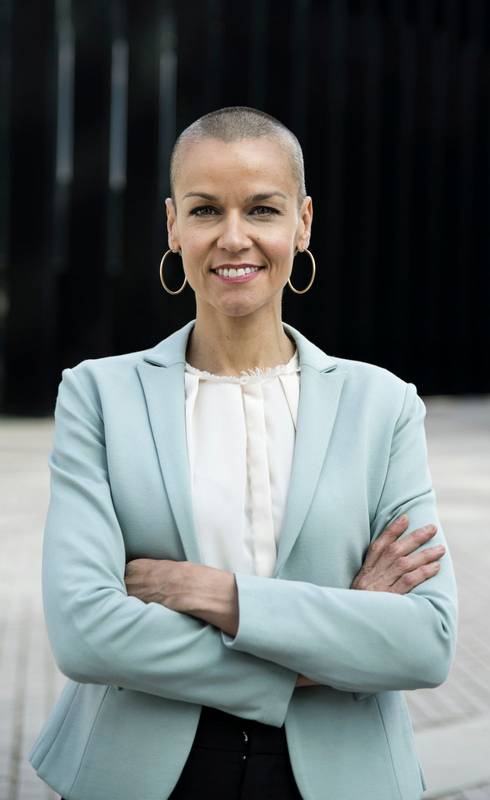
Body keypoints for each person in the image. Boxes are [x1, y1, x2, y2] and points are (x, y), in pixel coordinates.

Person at [28, 106, 457, 800]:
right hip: (139, 774)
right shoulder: (97, 395)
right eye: (205, 211)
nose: (234, 239)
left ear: (303, 222)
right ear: (173, 225)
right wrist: (335, 635)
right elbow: (85, 635)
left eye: (262, 209)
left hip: (344, 776)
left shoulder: (384, 406)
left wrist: (218, 596)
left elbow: (426, 641)